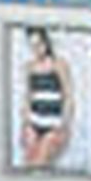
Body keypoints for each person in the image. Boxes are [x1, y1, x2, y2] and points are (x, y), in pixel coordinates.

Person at [19, 26, 72, 169]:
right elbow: (28, 97)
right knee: (28, 162)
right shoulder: (30, 67)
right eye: (33, 46)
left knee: (39, 162)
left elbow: (67, 96)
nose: (37, 49)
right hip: (34, 120)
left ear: (46, 43)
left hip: (53, 122)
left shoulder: (59, 64)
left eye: (39, 44)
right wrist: (25, 124)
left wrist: (65, 126)